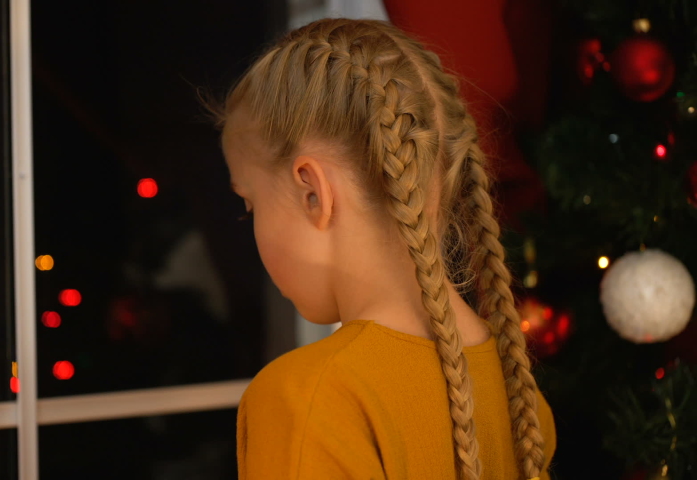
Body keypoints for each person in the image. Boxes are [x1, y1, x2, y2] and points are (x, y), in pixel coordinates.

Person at [204, 17, 556, 480]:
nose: (252, 227)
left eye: (250, 204)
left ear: (313, 192)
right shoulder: (521, 398)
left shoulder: (309, 397)